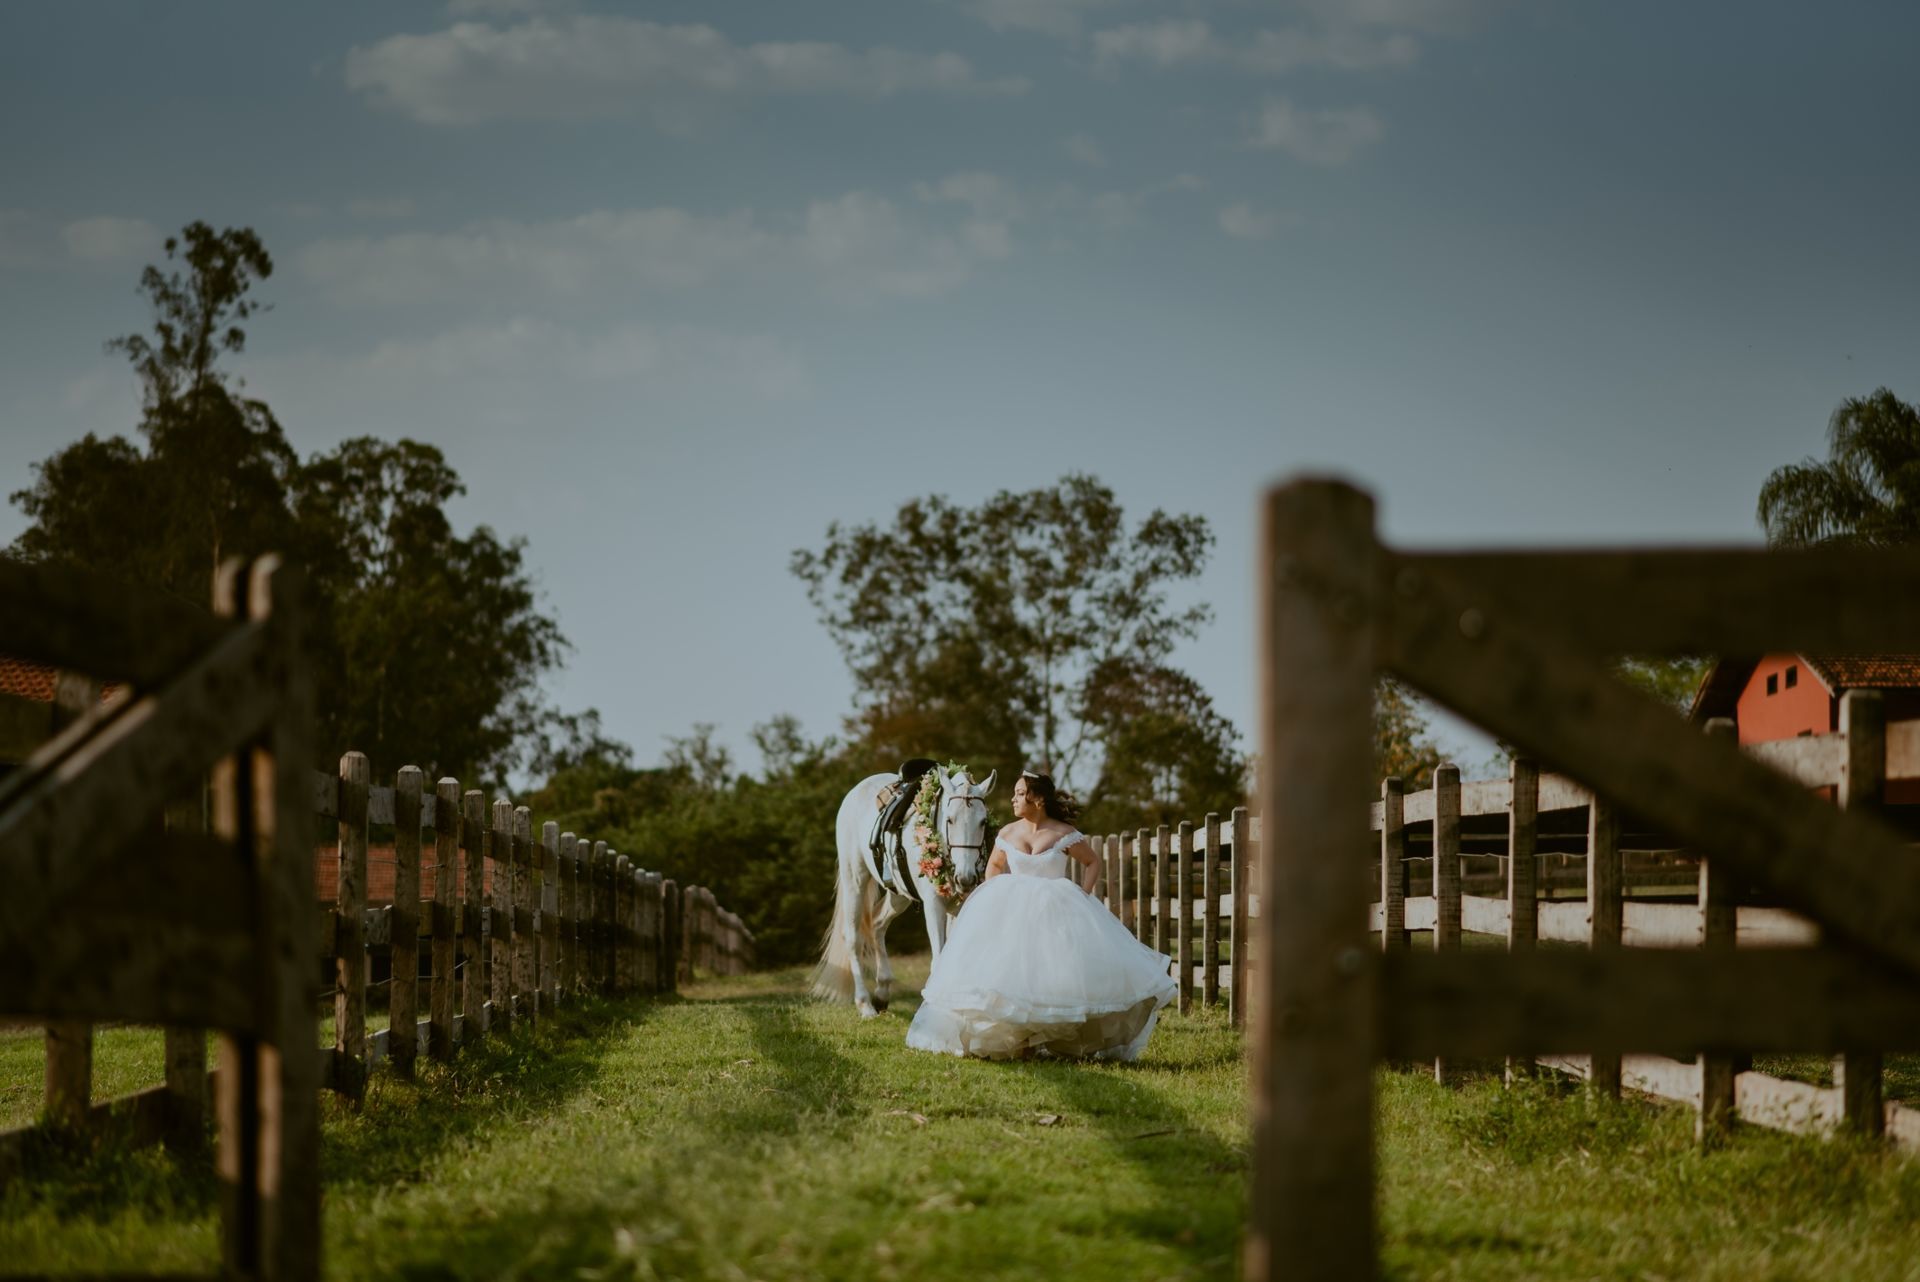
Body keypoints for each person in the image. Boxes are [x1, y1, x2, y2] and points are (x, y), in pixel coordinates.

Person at [905, 767, 1177, 1061]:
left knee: (1049, 975)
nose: (1013, 799)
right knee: (1011, 974)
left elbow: (1092, 862)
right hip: (1013, 911)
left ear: (1038, 800)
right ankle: (1020, 1043)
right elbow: (994, 865)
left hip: (1055, 911)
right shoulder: (1008, 832)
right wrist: (995, 894)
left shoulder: (1064, 833)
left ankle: (1044, 1040)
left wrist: (1082, 895)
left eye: (1020, 793)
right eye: (1015, 793)